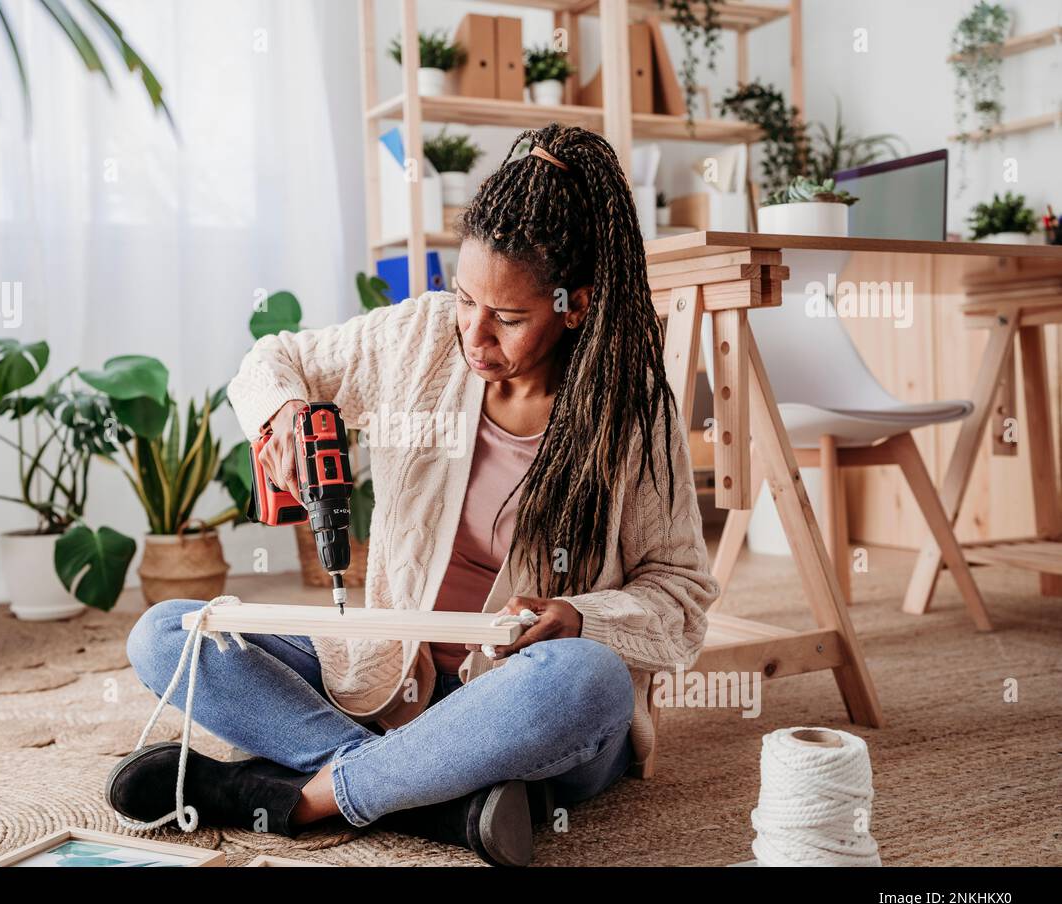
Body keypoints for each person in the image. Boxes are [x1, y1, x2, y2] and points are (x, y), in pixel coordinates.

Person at [108, 123, 720, 866]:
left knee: (588, 680)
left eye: (509, 318)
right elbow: (275, 357)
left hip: (520, 704)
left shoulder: (631, 411)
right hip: (387, 677)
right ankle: (437, 798)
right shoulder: (420, 339)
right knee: (169, 634)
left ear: (577, 304)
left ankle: (297, 797)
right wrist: (284, 414)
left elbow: (680, 592)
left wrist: (580, 616)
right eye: (466, 299)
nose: (475, 335)